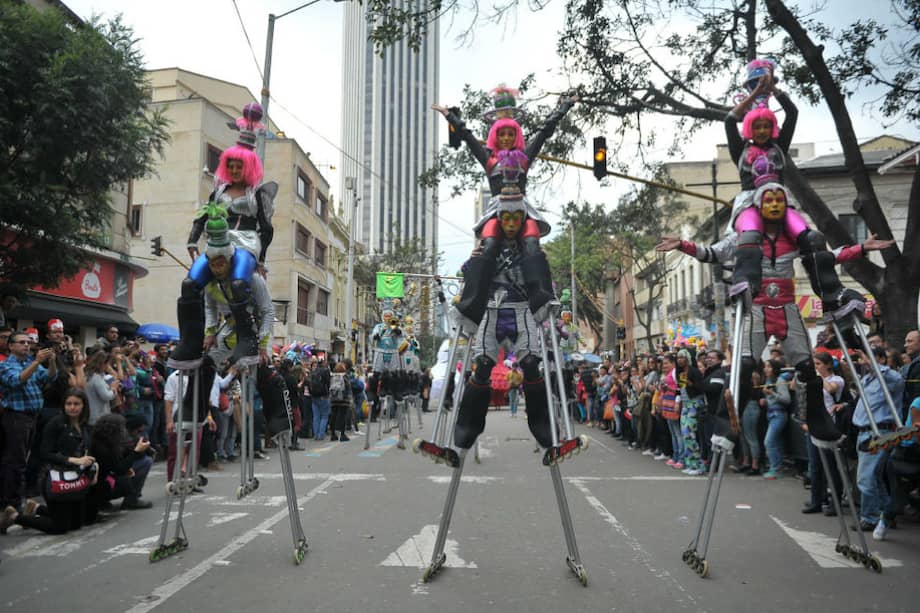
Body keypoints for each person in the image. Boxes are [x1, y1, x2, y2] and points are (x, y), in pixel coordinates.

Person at [432, 87, 578, 328]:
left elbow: (543, 133)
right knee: (487, 248)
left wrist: (564, 107)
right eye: (503, 135)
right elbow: (468, 138)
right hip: (498, 212)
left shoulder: (524, 157)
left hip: (522, 210)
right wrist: (450, 116)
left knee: (532, 245)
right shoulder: (489, 160)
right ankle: (471, 307)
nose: (507, 138)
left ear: (516, 135)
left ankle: (541, 298)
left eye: (511, 134)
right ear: (495, 137)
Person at [170, 105, 278, 368]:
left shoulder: (258, 195)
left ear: (248, 165)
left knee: (239, 284)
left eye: (238, 164)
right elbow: (202, 216)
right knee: (189, 284)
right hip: (218, 243)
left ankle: (246, 340)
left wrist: (261, 260)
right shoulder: (218, 192)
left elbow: (267, 228)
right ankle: (191, 342)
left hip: (245, 243)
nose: (234, 168)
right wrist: (192, 240)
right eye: (230, 163)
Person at [1, 388, 98, 535]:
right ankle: (15, 517)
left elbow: (88, 451)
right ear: (63, 405)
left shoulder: (85, 425)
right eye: (68, 404)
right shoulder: (56, 423)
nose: (72, 407)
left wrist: (94, 465)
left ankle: (36, 509)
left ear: (84, 405)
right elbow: (45, 453)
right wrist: (74, 460)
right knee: (60, 527)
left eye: (76, 404)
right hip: (53, 477)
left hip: (76, 479)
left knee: (76, 524)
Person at [851, 345, 904, 531]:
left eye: (868, 357)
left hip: (879, 432)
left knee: (865, 479)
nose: (863, 361)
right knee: (875, 478)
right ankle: (887, 514)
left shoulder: (890, 378)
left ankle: (870, 517)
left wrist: (872, 362)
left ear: (880, 359)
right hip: (863, 431)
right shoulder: (867, 379)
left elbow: (895, 378)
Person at [0, 332, 54, 512]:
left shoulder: (29, 362)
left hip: (32, 417)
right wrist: (37, 361)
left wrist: (52, 361)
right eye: (21, 342)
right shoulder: (6, 365)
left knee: (23, 460)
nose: (26, 345)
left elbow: (49, 377)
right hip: (16, 417)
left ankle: (17, 500)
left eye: (28, 342)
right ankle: (11, 503)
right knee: (15, 462)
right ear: (11, 346)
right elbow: (16, 381)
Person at [802, 352, 846, 514]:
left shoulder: (836, 380)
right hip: (814, 427)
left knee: (831, 467)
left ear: (828, 365)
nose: (816, 367)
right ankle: (816, 501)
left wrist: (817, 377)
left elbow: (831, 389)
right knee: (815, 466)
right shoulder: (814, 381)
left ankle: (835, 502)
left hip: (830, 427)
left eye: (819, 364)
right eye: (814, 364)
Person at [90, 413, 154, 510]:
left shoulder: (106, 440)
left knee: (143, 462)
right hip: (99, 480)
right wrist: (136, 451)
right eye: (139, 430)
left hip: (105, 475)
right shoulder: (103, 446)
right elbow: (119, 468)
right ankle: (126, 501)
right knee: (126, 480)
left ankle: (102, 502)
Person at [761, 358, 792, 479]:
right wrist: (765, 400)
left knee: (769, 441)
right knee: (776, 442)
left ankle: (775, 468)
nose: (766, 369)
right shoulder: (768, 380)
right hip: (770, 414)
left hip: (778, 415)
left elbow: (786, 399)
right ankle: (777, 467)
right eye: (765, 366)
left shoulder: (779, 380)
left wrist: (771, 394)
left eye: (768, 367)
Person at [329, 362, 352, 442]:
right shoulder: (345, 377)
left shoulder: (332, 376)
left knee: (333, 416)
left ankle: (332, 434)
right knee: (342, 416)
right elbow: (348, 387)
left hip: (333, 399)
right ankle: (342, 434)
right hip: (343, 399)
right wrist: (349, 398)